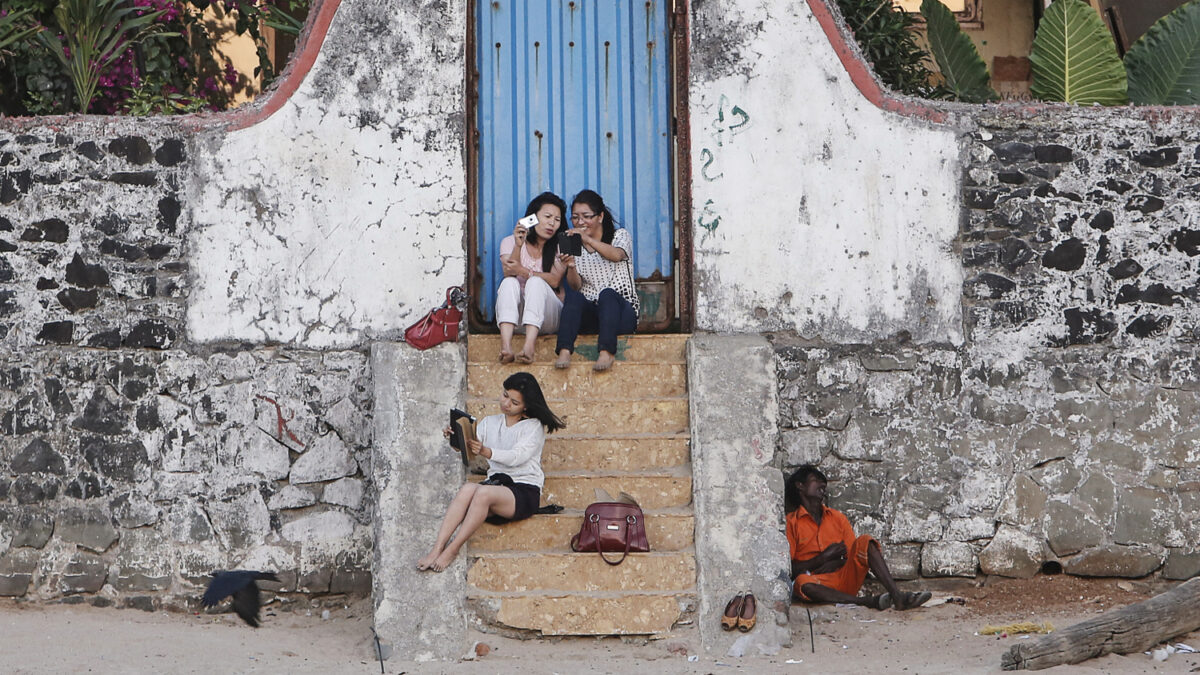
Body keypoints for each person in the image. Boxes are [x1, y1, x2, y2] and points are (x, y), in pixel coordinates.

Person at [416, 372, 565, 572]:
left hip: (523, 490)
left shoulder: (533, 427)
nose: (506, 404)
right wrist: (456, 438)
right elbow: (470, 447)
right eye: (505, 396)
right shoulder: (489, 422)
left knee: (483, 492)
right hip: (496, 485)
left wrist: (486, 451)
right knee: (468, 488)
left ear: (525, 407)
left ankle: (453, 548)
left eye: (514, 402)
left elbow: (516, 457)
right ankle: (437, 548)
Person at [786, 465, 931, 611]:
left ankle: (897, 596)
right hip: (817, 583)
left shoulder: (838, 518)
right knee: (801, 582)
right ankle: (866, 602)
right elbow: (790, 569)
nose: (822, 484)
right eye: (815, 480)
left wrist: (836, 561)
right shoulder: (791, 523)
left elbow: (853, 556)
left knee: (865, 541)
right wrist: (823, 558)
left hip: (844, 577)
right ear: (800, 486)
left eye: (823, 482)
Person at [554, 190, 639, 372]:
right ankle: (564, 350)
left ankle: (606, 352)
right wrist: (571, 266)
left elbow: (617, 255)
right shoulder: (574, 245)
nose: (580, 222)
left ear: (600, 216)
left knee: (607, 294)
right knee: (574, 297)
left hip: (622, 315)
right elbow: (576, 285)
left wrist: (588, 240)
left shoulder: (620, 236)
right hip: (594, 316)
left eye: (586, 216)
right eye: (575, 217)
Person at [496, 192, 571, 364]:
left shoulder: (563, 245)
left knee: (536, 282)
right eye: (547, 216)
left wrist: (524, 271)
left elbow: (554, 280)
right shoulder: (509, 241)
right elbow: (509, 272)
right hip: (518, 318)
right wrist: (518, 245)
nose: (552, 223)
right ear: (533, 218)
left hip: (548, 317)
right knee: (508, 283)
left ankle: (529, 347)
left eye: (557, 219)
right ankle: (506, 347)